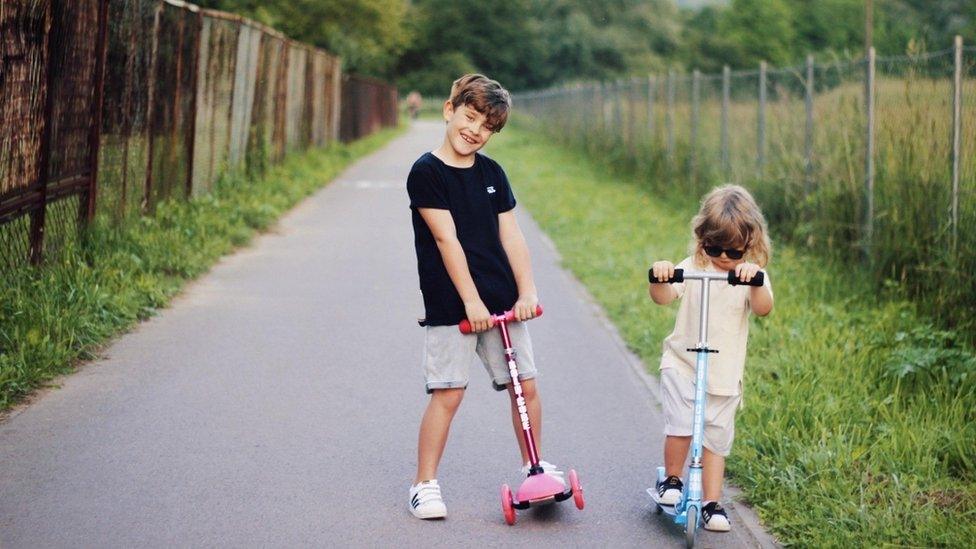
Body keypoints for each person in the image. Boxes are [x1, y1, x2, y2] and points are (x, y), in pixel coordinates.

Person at [405, 74, 561, 519]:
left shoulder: (493, 174)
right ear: (449, 109)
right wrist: (470, 303)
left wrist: (527, 292)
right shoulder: (427, 173)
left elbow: (511, 237)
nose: (474, 130)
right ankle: (424, 484)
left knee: (524, 386)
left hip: (502, 302)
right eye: (469, 117)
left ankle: (534, 467)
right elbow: (446, 240)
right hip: (452, 306)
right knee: (448, 393)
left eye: (486, 126)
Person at [648, 184, 774, 532]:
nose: (722, 258)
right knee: (682, 425)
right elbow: (664, 296)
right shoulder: (693, 265)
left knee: (716, 440)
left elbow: (763, 308)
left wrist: (755, 282)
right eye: (713, 247)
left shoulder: (750, 274)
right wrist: (660, 276)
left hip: (724, 374)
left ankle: (711, 501)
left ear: (749, 247)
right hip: (683, 364)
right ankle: (672, 481)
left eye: (732, 252)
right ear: (701, 240)